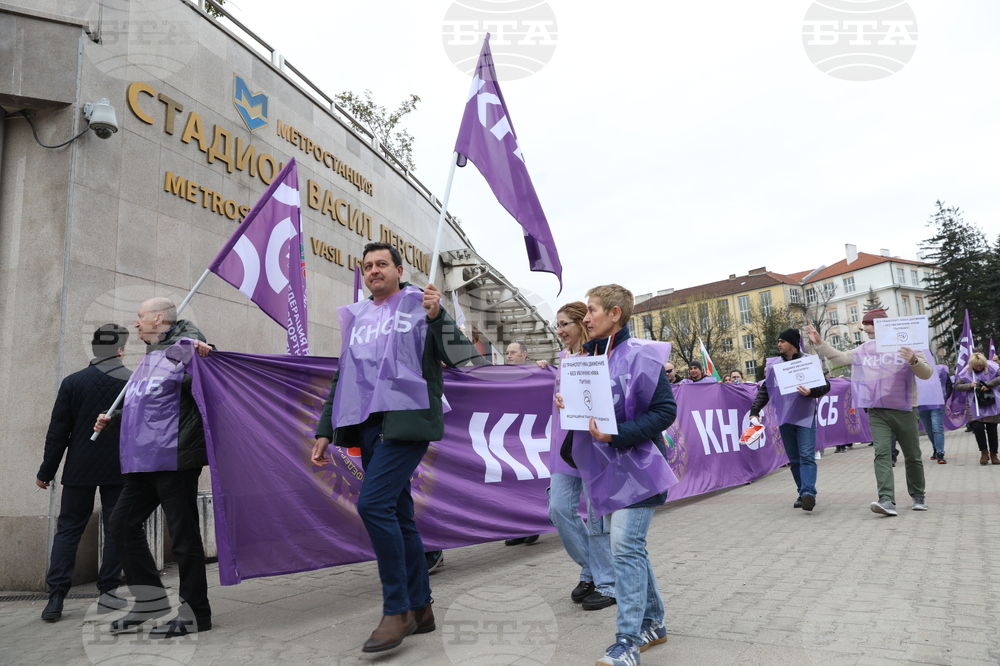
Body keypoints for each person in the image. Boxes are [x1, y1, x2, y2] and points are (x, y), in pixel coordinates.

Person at [311, 242, 478, 653]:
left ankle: (397, 608)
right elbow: (342, 376)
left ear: (399, 270)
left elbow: (461, 359)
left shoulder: (419, 304)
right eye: (368, 266)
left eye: (382, 264)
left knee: (373, 505)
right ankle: (422, 609)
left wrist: (439, 317)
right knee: (400, 515)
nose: (374, 270)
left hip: (405, 421)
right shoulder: (358, 316)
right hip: (365, 424)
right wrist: (324, 430)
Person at [558, 284, 677, 665]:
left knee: (624, 548)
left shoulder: (644, 355)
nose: (585, 317)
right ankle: (654, 623)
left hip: (641, 471)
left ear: (614, 315)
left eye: (592, 310)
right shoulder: (583, 360)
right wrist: (569, 404)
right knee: (631, 550)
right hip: (605, 472)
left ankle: (626, 642)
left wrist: (618, 434)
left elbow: (664, 412)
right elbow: (587, 415)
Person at [95, 298, 214, 637]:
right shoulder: (151, 356)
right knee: (120, 525)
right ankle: (150, 603)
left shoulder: (180, 347)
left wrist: (201, 346)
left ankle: (196, 613)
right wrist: (114, 417)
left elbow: (203, 358)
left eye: (140, 316)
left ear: (159, 318)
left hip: (174, 458)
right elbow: (148, 399)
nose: (136, 323)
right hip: (142, 459)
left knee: (183, 536)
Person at [36, 324, 132, 622]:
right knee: (117, 529)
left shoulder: (73, 382)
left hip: (80, 467)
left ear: (94, 350)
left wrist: (46, 471)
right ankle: (108, 593)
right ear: (120, 350)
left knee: (68, 529)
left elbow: (58, 433)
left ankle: (55, 598)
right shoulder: (132, 381)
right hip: (121, 468)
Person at [807, 308, 932, 516]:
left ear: (881, 326)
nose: (864, 328)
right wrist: (820, 343)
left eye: (868, 324)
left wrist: (913, 360)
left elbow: (926, 374)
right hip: (877, 410)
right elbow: (840, 358)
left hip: (905, 409)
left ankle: (918, 495)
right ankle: (887, 500)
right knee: (882, 453)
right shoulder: (865, 349)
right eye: (864, 324)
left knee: (912, 455)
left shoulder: (907, 346)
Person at [545, 302, 616, 611]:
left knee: (598, 516)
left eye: (564, 324)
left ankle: (607, 583)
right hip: (564, 445)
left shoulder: (598, 356)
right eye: (556, 325)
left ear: (580, 324)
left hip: (592, 444)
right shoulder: (562, 358)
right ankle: (592, 569)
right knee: (558, 509)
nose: (559, 330)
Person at [748, 329, 830, 511]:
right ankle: (802, 492)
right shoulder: (774, 366)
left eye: (782, 341)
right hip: (784, 418)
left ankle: (809, 493)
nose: (779, 344)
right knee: (794, 459)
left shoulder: (808, 361)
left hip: (805, 417)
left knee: (807, 455)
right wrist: (755, 410)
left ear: (793, 343)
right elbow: (766, 390)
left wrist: (811, 392)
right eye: (778, 341)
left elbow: (826, 385)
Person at [504, 339, 541, 547]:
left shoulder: (536, 373)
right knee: (512, 483)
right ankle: (518, 527)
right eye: (507, 352)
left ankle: (534, 525)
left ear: (524, 355)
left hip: (530, 435)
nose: (509, 355)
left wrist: (543, 367)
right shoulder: (501, 376)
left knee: (529, 481)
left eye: (513, 352)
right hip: (509, 436)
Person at [953, 352, 1000, 465]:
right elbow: (957, 386)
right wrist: (969, 385)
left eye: (981, 365)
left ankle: (994, 454)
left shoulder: (993, 368)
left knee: (992, 430)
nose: (979, 368)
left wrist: (989, 384)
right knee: (978, 428)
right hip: (974, 405)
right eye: (976, 366)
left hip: (990, 402)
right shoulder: (966, 373)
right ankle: (984, 452)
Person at [916, 362, 952, 463]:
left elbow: (948, 385)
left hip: (937, 404)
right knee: (928, 429)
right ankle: (936, 447)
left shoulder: (940, 370)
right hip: (922, 404)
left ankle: (940, 453)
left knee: (937, 427)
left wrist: (944, 398)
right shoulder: (915, 370)